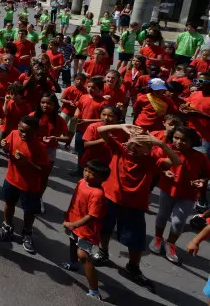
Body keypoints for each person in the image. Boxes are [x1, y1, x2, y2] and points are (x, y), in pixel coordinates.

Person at [91, 123, 181, 291]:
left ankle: (133, 267)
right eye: (131, 142)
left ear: (148, 149)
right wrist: (121, 126)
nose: (132, 147)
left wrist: (160, 143)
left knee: (135, 240)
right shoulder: (120, 150)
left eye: (138, 145)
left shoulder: (152, 161)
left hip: (134, 206)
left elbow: (176, 161)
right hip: (110, 198)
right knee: (104, 229)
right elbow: (100, 130)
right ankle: (103, 252)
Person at [150, 125, 210, 264]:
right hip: (167, 189)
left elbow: (207, 175)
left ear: (192, 142)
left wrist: (202, 181)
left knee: (178, 222)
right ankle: (158, 238)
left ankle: (170, 244)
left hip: (188, 194)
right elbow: (153, 164)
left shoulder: (200, 157)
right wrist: (164, 172)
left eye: (184, 140)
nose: (178, 142)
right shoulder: (166, 149)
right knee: (162, 215)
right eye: (176, 138)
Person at [0, 116, 49, 254]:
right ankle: (7, 227)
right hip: (11, 179)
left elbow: (43, 171)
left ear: (35, 131)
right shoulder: (13, 134)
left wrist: (27, 162)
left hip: (30, 186)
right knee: (9, 203)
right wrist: (4, 146)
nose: (23, 134)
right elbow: (7, 150)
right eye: (21, 130)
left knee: (29, 211)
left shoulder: (40, 147)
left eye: (27, 132)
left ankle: (27, 233)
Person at [60, 160, 111, 301]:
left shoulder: (97, 194)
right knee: (72, 241)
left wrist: (74, 224)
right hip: (73, 220)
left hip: (87, 229)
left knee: (83, 255)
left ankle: (94, 291)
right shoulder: (81, 182)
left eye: (92, 173)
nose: (87, 174)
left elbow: (92, 216)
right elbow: (74, 199)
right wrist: (68, 214)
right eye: (86, 170)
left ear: (103, 179)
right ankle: (73, 263)